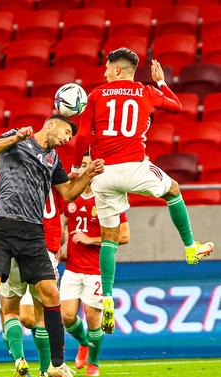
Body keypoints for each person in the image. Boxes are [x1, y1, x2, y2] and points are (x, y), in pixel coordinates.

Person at [71, 48, 214, 334]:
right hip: (135, 167)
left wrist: (78, 168)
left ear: (119, 70)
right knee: (173, 190)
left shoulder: (96, 95)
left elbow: (83, 136)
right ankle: (189, 248)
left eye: (108, 69)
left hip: (103, 173)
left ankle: (107, 297)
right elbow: (177, 107)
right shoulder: (146, 91)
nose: (104, 73)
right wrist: (161, 83)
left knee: (109, 238)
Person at [0, 114, 104, 377]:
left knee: (51, 293)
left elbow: (68, 194)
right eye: (65, 131)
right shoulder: (18, 138)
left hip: (33, 232)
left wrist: (88, 174)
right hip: (4, 227)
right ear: (51, 124)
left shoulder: (54, 160)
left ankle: (58, 364)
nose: (66, 139)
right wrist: (15, 137)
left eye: (69, 136)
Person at [0, 162, 63, 377]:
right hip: (38, 250)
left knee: (10, 312)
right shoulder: (34, 182)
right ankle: (44, 372)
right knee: (39, 315)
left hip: (10, 249)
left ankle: (20, 361)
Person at [60, 152, 130, 377]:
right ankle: (83, 343)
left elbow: (125, 236)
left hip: (96, 270)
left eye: (90, 165)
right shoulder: (71, 197)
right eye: (82, 165)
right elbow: (64, 225)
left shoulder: (109, 198)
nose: (86, 168)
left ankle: (94, 363)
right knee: (67, 317)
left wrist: (91, 240)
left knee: (92, 318)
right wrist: (62, 246)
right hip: (72, 267)